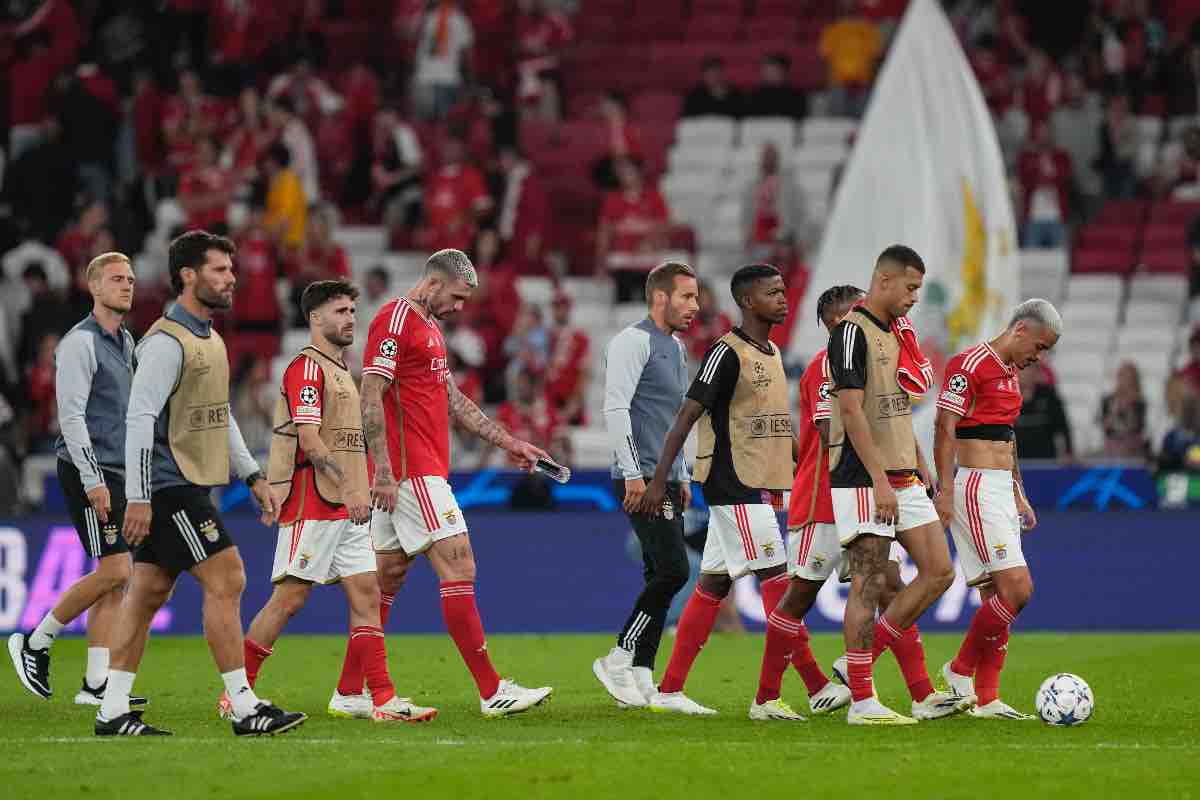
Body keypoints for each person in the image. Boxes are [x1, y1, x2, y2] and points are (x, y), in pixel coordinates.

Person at [97, 230, 305, 737]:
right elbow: (139, 419)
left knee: (145, 593)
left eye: (231, 270)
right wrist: (141, 496)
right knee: (228, 577)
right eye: (218, 270)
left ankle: (112, 710)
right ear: (188, 276)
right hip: (170, 486)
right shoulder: (166, 342)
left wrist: (251, 473)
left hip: (188, 482)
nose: (231, 278)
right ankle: (244, 705)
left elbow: (219, 415)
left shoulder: (209, 338)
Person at [220, 280, 437, 724]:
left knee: (367, 595)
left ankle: (382, 700)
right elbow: (311, 440)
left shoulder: (341, 372)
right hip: (312, 502)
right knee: (288, 600)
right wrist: (351, 486)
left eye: (353, 311)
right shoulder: (307, 369)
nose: (350, 319)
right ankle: (235, 693)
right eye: (340, 311)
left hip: (346, 508)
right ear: (315, 319)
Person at [360, 248, 553, 716]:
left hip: (416, 471)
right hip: (412, 474)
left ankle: (352, 690)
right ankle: (492, 691)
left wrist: (512, 444)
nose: (460, 307)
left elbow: (454, 401)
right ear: (432, 284)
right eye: (457, 296)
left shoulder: (429, 328)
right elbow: (370, 396)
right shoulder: (394, 320)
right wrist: (383, 472)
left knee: (384, 582)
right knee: (459, 566)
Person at [755, 284, 962, 721]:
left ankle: (920, 693)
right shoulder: (824, 367)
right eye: (849, 316)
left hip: (870, 490)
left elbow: (890, 420)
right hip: (824, 500)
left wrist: (916, 461)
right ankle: (766, 698)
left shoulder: (878, 359)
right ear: (833, 325)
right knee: (798, 598)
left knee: (890, 588)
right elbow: (842, 432)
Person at [636, 264, 796, 719]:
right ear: (748, 301)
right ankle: (778, 695)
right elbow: (686, 415)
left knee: (711, 585)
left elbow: (776, 425)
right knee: (782, 590)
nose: (784, 298)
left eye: (784, 290)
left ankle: (670, 689)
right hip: (733, 485)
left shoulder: (771, 352)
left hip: (755, 483)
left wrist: (802, 462)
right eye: (774, 292)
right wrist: (661, 477)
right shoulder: (725, 353)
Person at [825, 245, 955, 725]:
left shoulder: (899, 334)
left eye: (919, 289)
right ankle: (862, 702)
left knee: (939, 571)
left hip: (904, 476)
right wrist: (879, 480)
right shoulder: (850, 334)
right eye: (911, 287)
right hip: (864, 481)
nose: (915, 298)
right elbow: (852, 411)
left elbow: (896, 412)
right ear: (883, 280)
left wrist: (922, 468)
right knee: (868, 584)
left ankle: (857, 663)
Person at [8, 253, 140, 707]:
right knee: (117, 569)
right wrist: (93, 478)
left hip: (117, 471)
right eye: (116, 279)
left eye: (130, 279)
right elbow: (71, 417)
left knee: (116, 577)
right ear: (93, 287)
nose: (127, 285)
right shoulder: (79, 343)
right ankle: (35, 641)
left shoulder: (125, 340)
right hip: (90, 471)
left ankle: (96, 683)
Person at [935, 299, 1063, 719]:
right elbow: (944, 427)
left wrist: (1018, 491)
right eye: (1040, 347)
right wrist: (947, 490)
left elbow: (1006, 439)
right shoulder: (969, 364)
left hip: (1000, 488)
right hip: (974, 486)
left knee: (996, 594)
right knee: (1018, 590)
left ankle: (987, 699)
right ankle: (958, 671)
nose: (1038, 358)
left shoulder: (1009, 374)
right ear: (1020, 329)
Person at [593, 262, 699, 709]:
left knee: (660, 573)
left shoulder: (675, 348)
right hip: (640, 478)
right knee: (675, 570)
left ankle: (642, 675)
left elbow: (678, 415)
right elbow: (616, 408)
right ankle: (618, 657)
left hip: (667, 477)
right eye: (687, 297)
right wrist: (633, 472)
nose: (695, 306)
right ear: (660, 297)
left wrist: (685, 473)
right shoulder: (631, 342)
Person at [1013, 367, 1073, 460]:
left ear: (1036, 373)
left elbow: (1063, 426)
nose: (1025, 374)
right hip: (1016, 463)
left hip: (1046, 461)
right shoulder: (1005, 397)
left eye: (1029, 370)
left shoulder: (1049, 395)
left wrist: (1069, 452)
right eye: (1022, 370)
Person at [1099, 362, 1148, 459]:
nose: (1125, 380)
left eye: (1128, 377)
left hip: (1132, 447)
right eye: (1122, 376)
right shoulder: (1108, 400)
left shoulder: (1139, 402)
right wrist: (1115, 410)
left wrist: (1129, 408)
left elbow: (1137, 427)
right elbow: (1106, 427)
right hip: (1112, 447)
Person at [743, 54, 809, 119]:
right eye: (766, 70)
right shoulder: (753, 95)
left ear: (784, 71)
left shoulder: (796, 95)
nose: (769, 73)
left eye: (773, 70)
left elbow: (800, 118)